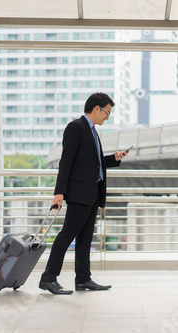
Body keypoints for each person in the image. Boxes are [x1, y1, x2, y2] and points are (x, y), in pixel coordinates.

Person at [39, 92, 128, 294]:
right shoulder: (76, 127)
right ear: (96, 108)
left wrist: (114, 159)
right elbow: (66, 161)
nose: (108, 117)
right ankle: (48, 277)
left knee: (85, 238)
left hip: (92, 193)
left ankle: (83, 279)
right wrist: (59, 192)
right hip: (79, 193)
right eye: (107, 112)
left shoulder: (93, 131)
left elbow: (94, 163)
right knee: (66, 235)